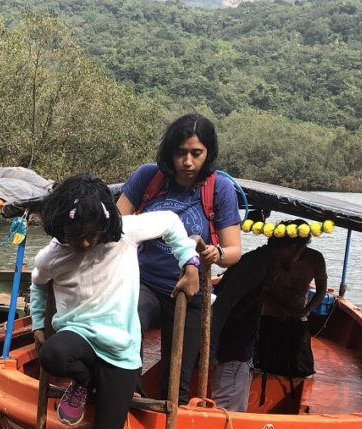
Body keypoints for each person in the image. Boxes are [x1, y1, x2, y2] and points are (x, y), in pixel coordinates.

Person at [30, 173, 199, 429]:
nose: (85, 242)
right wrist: (37, 325)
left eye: (91, 234)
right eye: (75, 236)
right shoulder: (52, 256)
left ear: (105, 223)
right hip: (79, 340)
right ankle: (83, 382)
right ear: (59, 229)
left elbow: (172, 224)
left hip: (121, 356)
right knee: (52, 355)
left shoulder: (124, 235)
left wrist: (190, 263)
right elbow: (37, 287)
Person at [117, 113, 242, 404]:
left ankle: (172, 413)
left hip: (191, 290)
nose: (187, 162)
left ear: (208, 153)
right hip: (143, 282)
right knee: (127, 329)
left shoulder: (219, 188)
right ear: (169, 152)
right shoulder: (149, 177)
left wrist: (216, 253)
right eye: (180, 153)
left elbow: (234, 251)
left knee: (177, 380)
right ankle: (128, 398)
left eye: (196, 153)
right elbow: (115, 225)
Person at [210, 233, 305, 411]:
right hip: (231, 354)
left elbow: (254, 296)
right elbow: (222, 305)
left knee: (237, 413)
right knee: (225, 413)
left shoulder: (262, 263)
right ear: (291, 249)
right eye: (299, 254)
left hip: (242, 356)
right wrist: (210, 351)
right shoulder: (255, 266)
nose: (297, 259)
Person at [257, 222, 328, 377]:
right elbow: (260, 289)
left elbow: (322, 290)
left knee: (301, 368)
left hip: (298, 313)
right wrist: (280, 309)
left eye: (286, 250)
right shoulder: (272, 255)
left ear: (296, 247)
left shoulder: (315, 258)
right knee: (263, 362)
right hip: (269, 312)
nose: (282, 254)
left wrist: (307, 310)